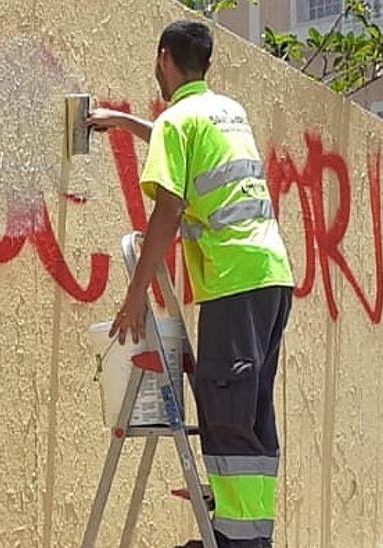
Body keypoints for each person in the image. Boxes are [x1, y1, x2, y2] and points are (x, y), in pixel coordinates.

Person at [87, 19, 294, 548]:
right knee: (250, 410)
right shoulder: (226, 112)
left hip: (232, 278)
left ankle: (236, 542)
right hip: (270, 277)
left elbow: (168, 210)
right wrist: (124, 122)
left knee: (226, 409)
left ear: (163, 58)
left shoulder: (180, 121)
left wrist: (135, 300)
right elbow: (180, 141)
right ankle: (245, 529)